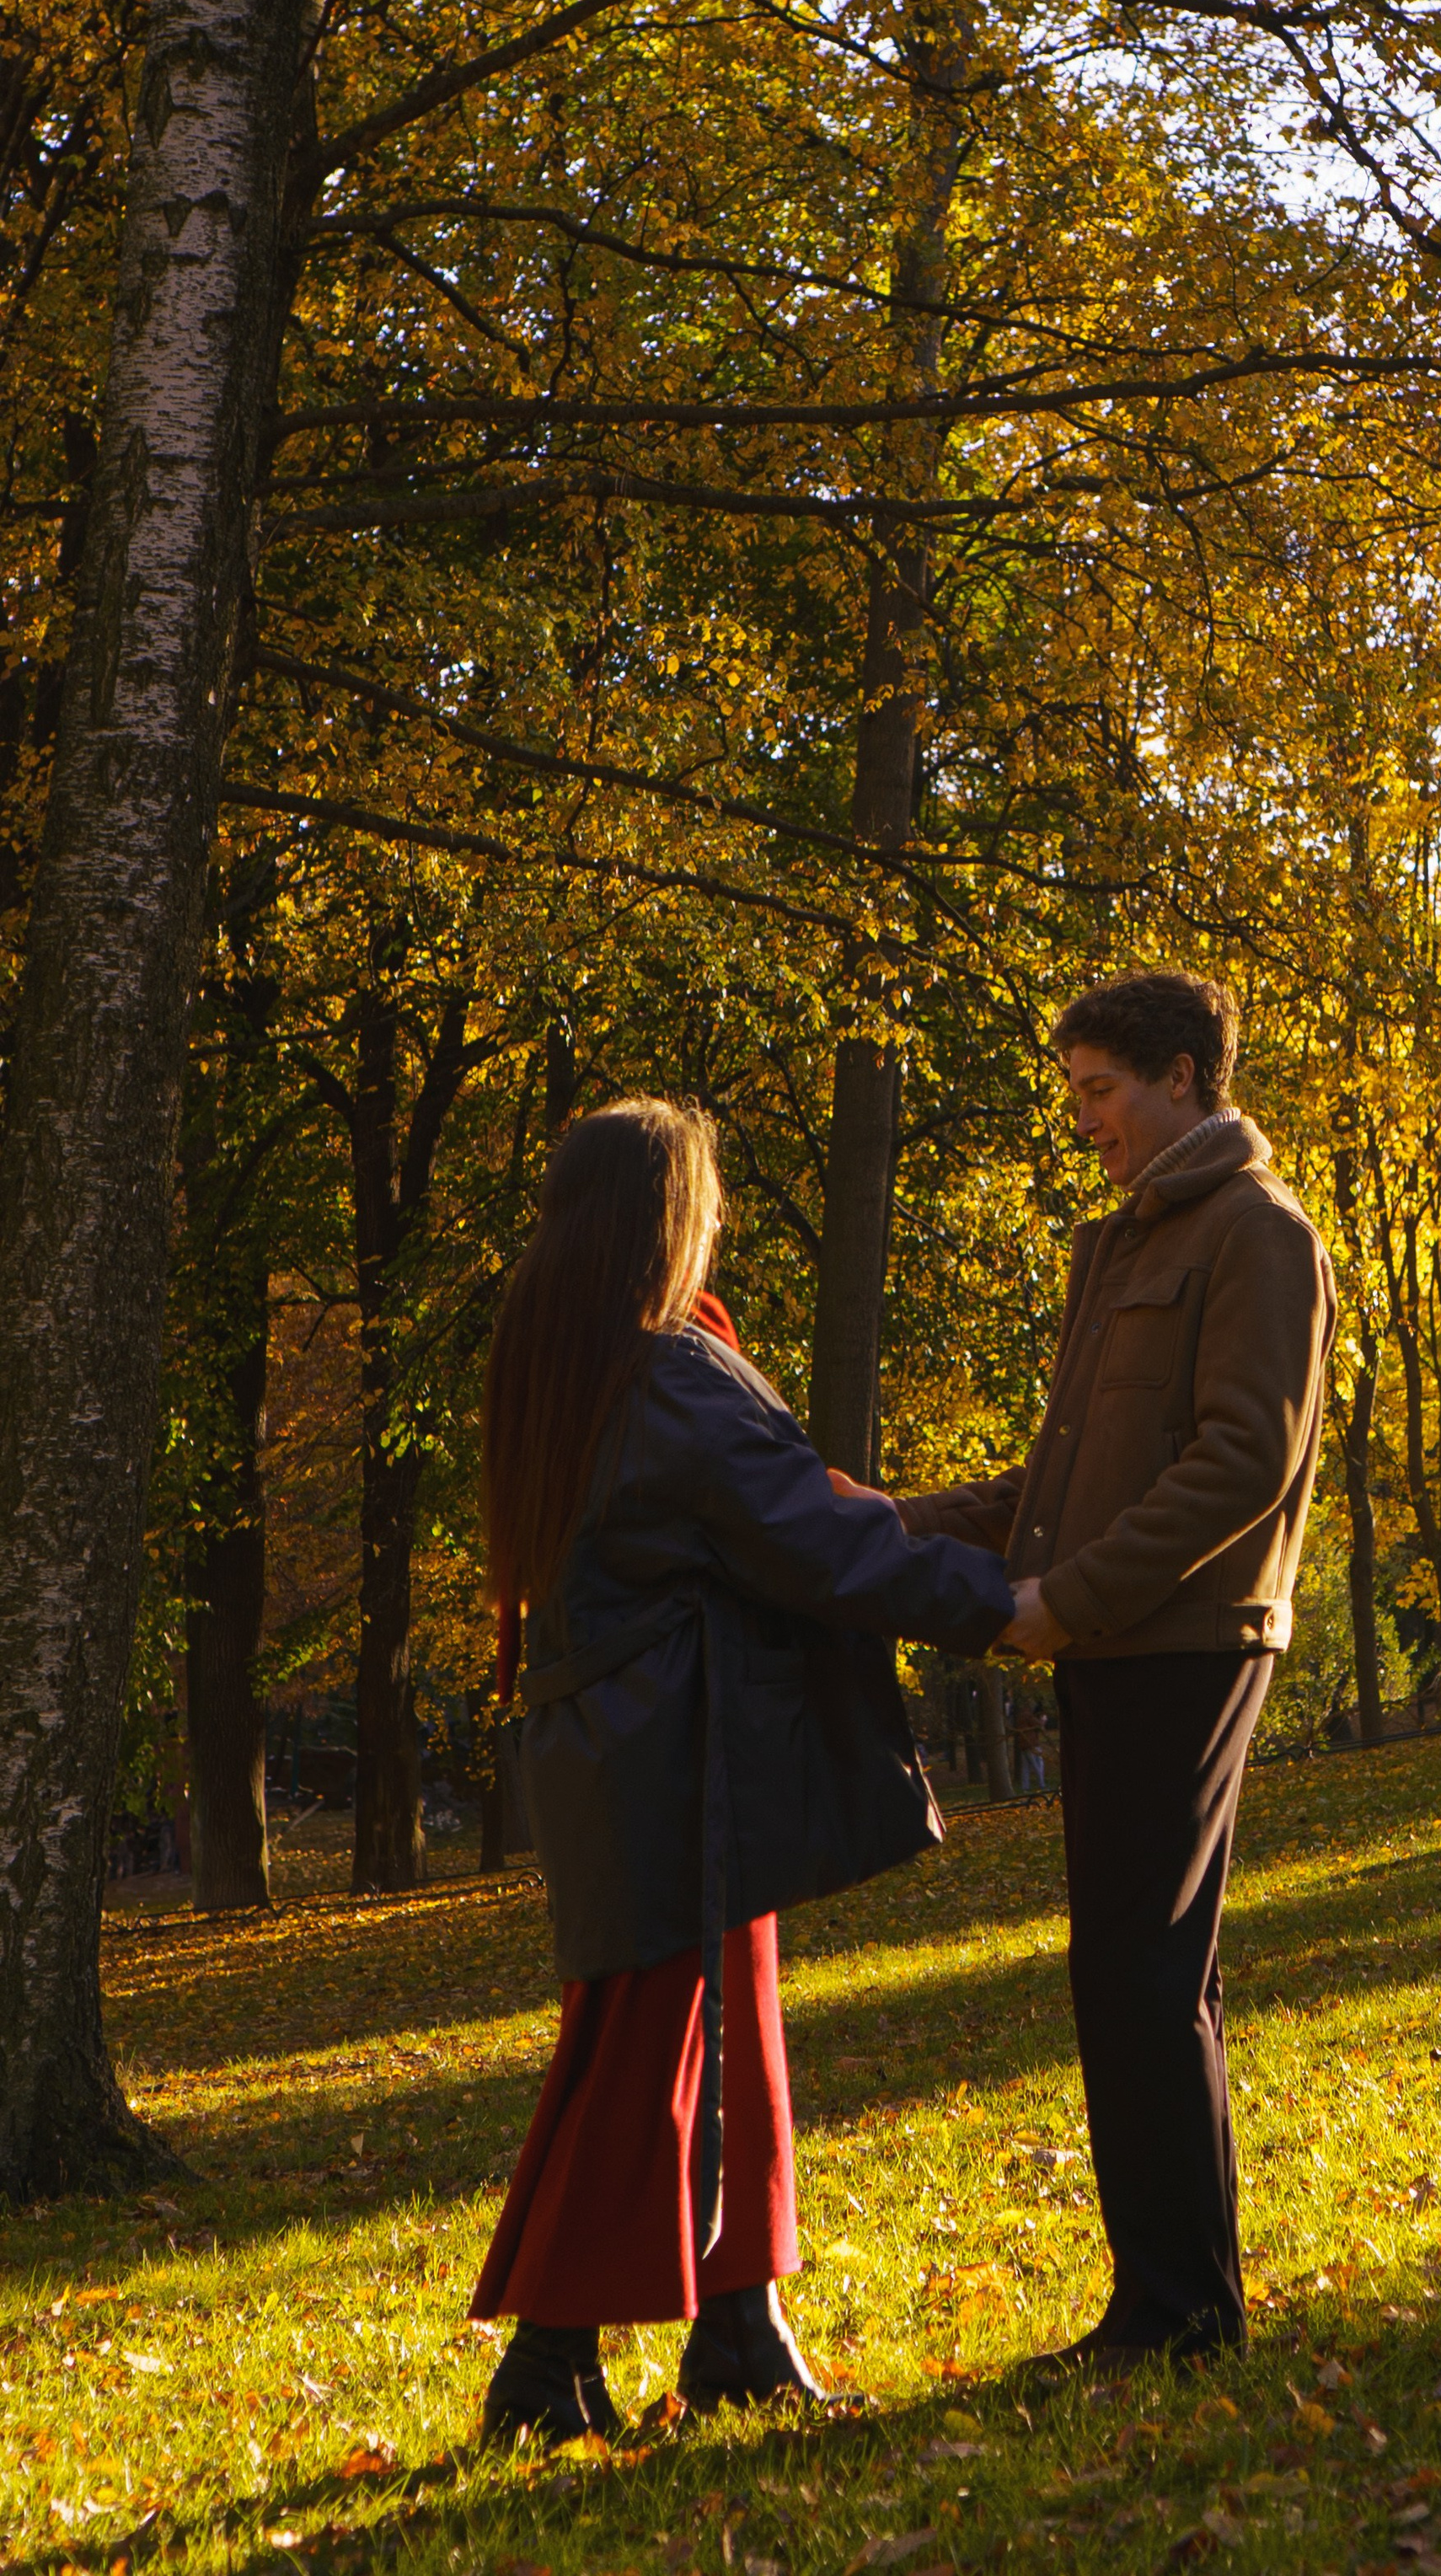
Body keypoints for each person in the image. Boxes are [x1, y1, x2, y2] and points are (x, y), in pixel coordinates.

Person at [470, 1098, 1015, 2445]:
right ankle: (547, 2365)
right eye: (707, 1199)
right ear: (670, 1212)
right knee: (650, 2053)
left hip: (641, 1751)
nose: (718, 1221)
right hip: (679, 1758)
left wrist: (985, 1518)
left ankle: (739, 2327)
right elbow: (809, 1540)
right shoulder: (662, 1373)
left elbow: (791, 1510)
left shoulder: (570, 1357)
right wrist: (1004, 1603)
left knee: (713, 2042)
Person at [880, 969, 1336, 2376]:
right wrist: (878, 1523)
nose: (1083, 1121)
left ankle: (1184, 2315)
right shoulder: (1126, 1246)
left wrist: (1062, 1605)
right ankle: (1163, 2303)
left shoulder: (1258, 1235)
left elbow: (1240, 1465)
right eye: (1075, 1092)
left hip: (1186, 1647)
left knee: (1145, 1974)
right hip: (1116, 1646)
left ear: (1185, 1076)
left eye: (1100, 1091)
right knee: (1125, 1973)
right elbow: (1063, 1483)